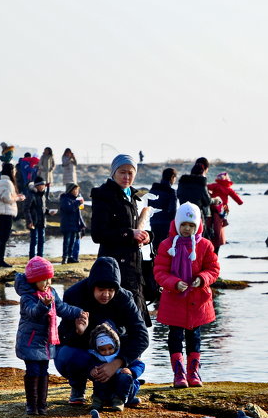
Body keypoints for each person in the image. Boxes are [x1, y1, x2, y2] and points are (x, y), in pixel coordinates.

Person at [56, 257, 150, 410]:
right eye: (101, 290)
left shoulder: (125, 298)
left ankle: (123, 392)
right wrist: (79, 332)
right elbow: (62, 336)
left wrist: (118, 362)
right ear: (92, 286)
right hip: (86, 353)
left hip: (113, 351)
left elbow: (142, 336)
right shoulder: (74, 295)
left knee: (136, 358)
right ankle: (78, 387)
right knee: (66, 354)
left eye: (111, 290)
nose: (106, 295)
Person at [155, 202, 220, 388]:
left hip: (197, 301)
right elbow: (159, 271)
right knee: (175, 336)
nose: (187, 229)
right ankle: (179, 374)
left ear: (197, 226)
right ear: (176, 224)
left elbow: (213, 269)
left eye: (191, 225)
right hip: (174, 299)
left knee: (195, 337)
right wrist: (174, 283)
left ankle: (193, 372)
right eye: (183, 224)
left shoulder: (205, 245)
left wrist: (202, 278)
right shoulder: (167, 245)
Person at [16, 257, 85, 414]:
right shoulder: (27, 297)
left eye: (49, 279)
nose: (47, 283)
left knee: (43, 371)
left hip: (46, 342)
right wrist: (44, 305)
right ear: (33, 280)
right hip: (30, 341)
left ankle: (42, 405)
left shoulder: (51, 292)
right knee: (33, 371)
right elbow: (33, 313)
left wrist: (78, 312)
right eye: (43, 280)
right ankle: (31, 406)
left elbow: (62, 308)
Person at [89, 154, 152, 324]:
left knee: (135, 325)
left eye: (130, 173)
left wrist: (146, 237)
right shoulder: (103, 195)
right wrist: (129, 233)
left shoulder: (132, 196)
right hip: (112, 268)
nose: (126, 177)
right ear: (113, 172)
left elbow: (137, 228)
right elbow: (98, 234)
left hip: (134, 268)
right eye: (122, 172)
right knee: (114, 322)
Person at [0, 163, 24, 268]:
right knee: (4, 236)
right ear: (11, 171)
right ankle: (0, 261)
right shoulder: (7, 182)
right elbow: (6, 198)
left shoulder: (3, 181)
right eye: (14, 169)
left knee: (3, 236)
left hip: (1, 211)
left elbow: (6, 196)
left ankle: (0, 260)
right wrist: (18, 198)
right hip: (5, 212)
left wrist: (15, 196)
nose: (15, 171)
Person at [206, 172, 243, 254]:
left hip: (212, 209)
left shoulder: (215, 186)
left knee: (209, 227)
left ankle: (209, 243)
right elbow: (239, 201)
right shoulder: (229, 189)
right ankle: (217, 244)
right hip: (221, 211)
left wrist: (210, 195)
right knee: (219, 230)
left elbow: (205, 187)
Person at [176, 161, 213, 240]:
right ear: (203, 172)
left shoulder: (182, 182)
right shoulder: (201, 183)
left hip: (183, 213)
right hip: (197, 214)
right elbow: (207, 201)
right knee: (198, 238)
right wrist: (214, 200)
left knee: (182, 238)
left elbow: (178, 195)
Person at [147, 168, 178, 257]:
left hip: (154, 222)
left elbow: (149, 207)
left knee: (156, 249)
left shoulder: (153, 190)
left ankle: (154, 267)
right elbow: (173, 211)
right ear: (172, 177)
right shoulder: (171, 192)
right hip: (166, 224)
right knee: (166, 250)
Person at [58, 183, 86, 264]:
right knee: (66, 242)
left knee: (72, 242)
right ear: (70, 190)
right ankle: (65, 258)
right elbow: (69, 209)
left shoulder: (75, 199)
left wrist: (82, 225)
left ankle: (70, 257)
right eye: (75, 190)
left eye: (77, 190)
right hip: (67, 224)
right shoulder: (64, 198)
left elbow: (78, 214)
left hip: (75, 225)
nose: (76, 192)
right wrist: (78, 203)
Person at [25, 177, 50, 259]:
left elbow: (42, 208)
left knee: (41, 241)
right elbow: (26, 209)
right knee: (34, 241)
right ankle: (31, 259)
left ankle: (40, 259)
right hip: (34, 222)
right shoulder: (31, 194)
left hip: (42, 221)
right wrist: (29, 221)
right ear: (37, 186)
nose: (43, 187)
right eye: (42, 185)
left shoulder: (43, 195)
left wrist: (48, 212)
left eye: (44, 185)